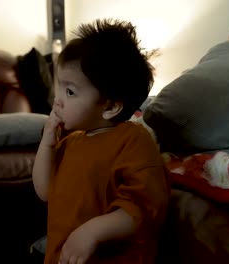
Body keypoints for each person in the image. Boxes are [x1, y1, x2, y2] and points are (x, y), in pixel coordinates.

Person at [32, 18, 170, 264]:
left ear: (111, 107)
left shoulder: (132, 139)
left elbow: (145, 205)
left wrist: (93, 231)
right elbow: (45, 191)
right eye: (59, 88)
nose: (57, 100)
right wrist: (46, 144)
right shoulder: (70, 142)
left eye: (70, 91)